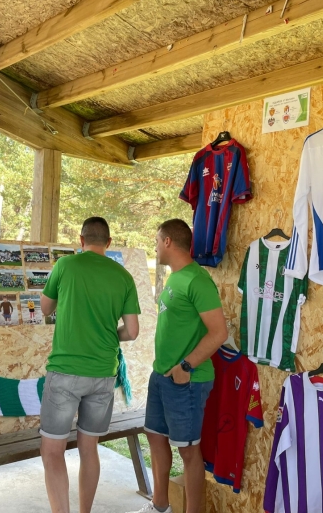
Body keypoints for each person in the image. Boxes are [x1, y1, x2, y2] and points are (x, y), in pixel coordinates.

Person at [40, 217, 141, 513]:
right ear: (108, 243)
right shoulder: (123, 276)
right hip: (103, 376)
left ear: (80, 240)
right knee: (89, 448)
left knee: (52, 451)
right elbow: (132, 332)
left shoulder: (66, 266)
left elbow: (45, 308)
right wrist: (111, 333)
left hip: (65, 373)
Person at [128, 219, 227, 513]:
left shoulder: (197, 280)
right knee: (155, 437)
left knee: (188, 450)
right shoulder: (175, 278)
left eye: (157, 241)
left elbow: (219, 332)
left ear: (169, 241)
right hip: (162, 376)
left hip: (187, 380)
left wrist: (186, 366)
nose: (155, 247)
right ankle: (160, 506)